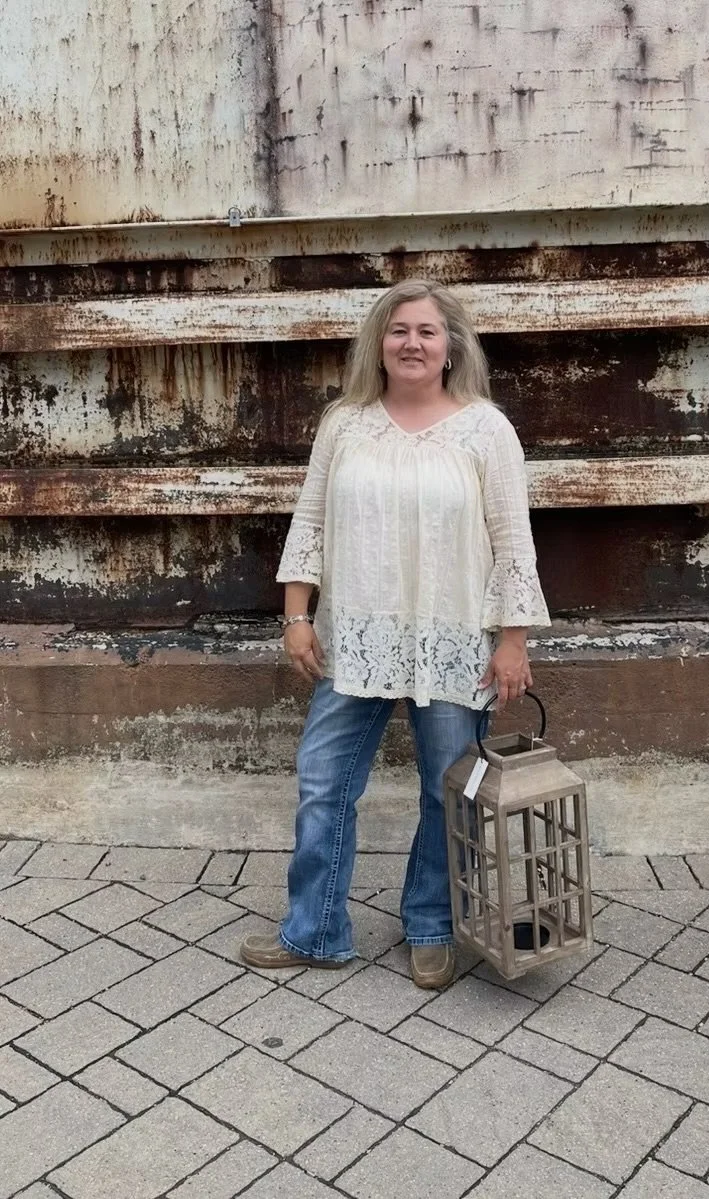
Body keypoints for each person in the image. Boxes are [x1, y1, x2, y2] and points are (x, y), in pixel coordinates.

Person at [240, 279, 551, 989]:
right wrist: (296, 615)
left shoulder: (486, 430)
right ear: (378, 344)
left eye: (427, 331)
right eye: (399, 330)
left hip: (452, 642)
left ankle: (432, 926)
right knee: (323, 783)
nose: (412, 343)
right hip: (354, 640)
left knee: (447, 792)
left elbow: (513, 542)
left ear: (450, 347)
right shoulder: (345, 423)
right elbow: (311, 519)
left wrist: (513, 640)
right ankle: (315, 930)